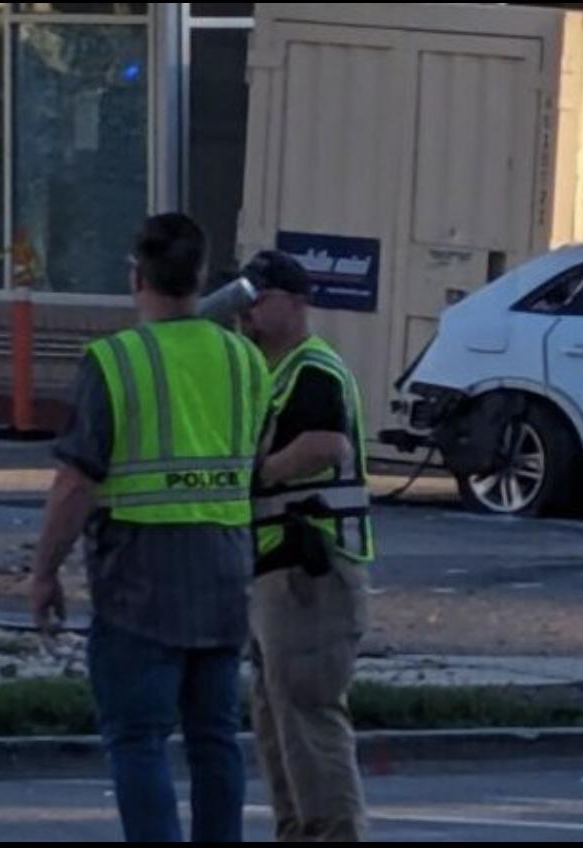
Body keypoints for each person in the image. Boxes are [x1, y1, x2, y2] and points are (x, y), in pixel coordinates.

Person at [28, 213, 270, 843]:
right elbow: (256, 458)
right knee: (216, 738)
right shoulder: (245, 360)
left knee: (138, 739)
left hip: (139, 577)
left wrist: (44, 571)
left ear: (136, 276)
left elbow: (75, 482)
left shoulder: (114, 361)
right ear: (201, 276)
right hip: (224, 571)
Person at [239, 250, 376, 842]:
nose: (246, 309)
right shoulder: (270, 371)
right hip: (279, 568)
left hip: (311, 570)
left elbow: (324, 445)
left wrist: (256, 474)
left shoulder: (312, 370)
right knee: (278, 724)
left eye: (259, 297)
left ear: (296, 302)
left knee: (309, 723)